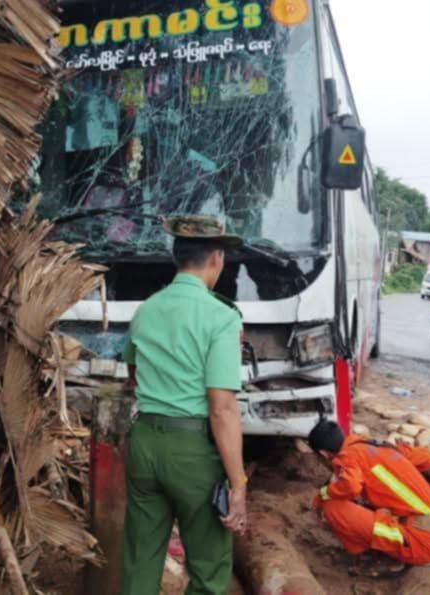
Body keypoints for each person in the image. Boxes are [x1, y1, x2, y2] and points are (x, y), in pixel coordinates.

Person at [121, 215, 248, 595]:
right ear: (217, 259)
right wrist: (238, 484)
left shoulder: (146, 309)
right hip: (192, 453)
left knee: (141, 559)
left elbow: (133, 375)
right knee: (208, 570)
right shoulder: (222, 317)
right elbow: (221, 408)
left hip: (144, 443)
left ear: (176, 257)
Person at [309, 420, 430, 566]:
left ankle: (365, 555)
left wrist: (324, 493)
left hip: (420, 545)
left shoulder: (348, 456)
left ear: (324, 454)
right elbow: (428, 457)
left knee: (332, 507)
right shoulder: (378, 445)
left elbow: (351, 487)